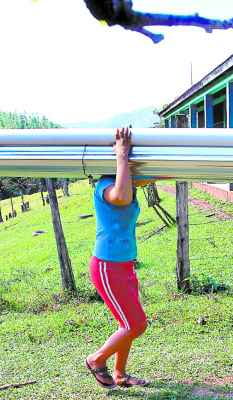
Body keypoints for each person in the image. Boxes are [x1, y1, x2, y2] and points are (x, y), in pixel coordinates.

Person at [85, 127, 153, 389]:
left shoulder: (128, 182)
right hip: (107, 267)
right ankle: (96, 359)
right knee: (136, 324)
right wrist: (122, 153)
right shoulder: (106, 186)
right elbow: (122, 197)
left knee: (126, 323)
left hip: (125, 265)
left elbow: (149, 178)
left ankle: (120, 374)